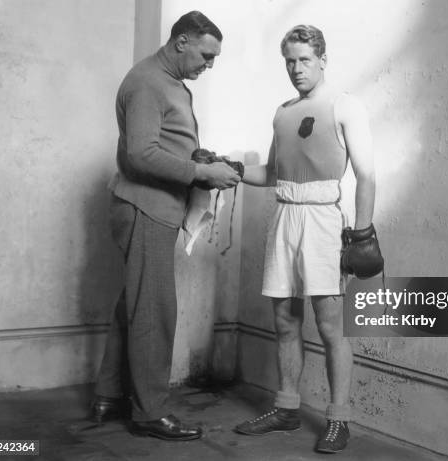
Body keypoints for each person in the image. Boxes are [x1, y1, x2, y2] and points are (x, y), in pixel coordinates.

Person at [89, 11, 241, 441]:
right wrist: (201, 176)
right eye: (206, 55)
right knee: (154, 310)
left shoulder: (169, 82)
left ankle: (109, 395)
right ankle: (150, 412)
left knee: (134, 305)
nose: (209, 65)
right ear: (181, 42)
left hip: (154, 206)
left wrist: (197, 157)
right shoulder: (147, 82)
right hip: (145, 207)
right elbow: (139, 154)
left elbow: (163, 143)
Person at [235, 25, 375, 453]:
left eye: (304, 60)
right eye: (290, 61)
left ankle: (339, 418)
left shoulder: (344, 105)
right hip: (285, 217)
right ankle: (287, 408)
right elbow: (273, 174)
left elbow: (367, 175)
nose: (296, 69)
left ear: (322, 60)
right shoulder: (282, 111)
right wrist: (230, 168)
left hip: (324, 222)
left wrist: (362, 235)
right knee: (284, 322)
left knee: (332, 327)